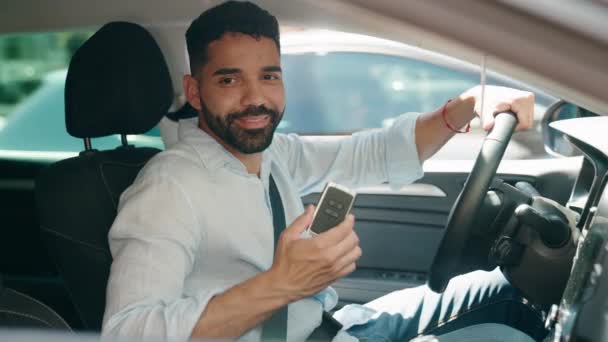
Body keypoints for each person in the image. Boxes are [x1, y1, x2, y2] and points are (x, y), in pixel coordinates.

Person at [102, 1, 543, 341]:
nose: (256, 99)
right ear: (195, 92)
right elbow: (127, 331)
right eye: (230, 80)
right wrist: (283, 284)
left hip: (333, 325)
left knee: (503, 285)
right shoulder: (168, 186)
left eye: (269, 77)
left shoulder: (275, 155)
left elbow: (371, 154)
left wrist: (464, 108)